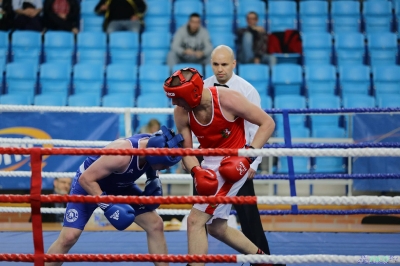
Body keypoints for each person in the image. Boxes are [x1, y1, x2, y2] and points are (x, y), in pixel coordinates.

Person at [163, 68, 275, 266]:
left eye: (178, 98)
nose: (174, 103)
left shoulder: (228, 99)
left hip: (233, 163)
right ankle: (263, 262)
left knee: (195, 221)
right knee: (217, 227)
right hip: (208, 164)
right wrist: (196, 170)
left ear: (193, 93)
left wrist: (248, 157)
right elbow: (187, 153)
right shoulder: (181, 112)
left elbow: (267, 123)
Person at [45, 126, 184, 266]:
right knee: (68, 237)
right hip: (89, 184)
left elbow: (152, 162)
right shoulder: (122, 154)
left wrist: (153, 179)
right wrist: (107, 206)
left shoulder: (152, 143)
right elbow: (86, 179)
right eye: (163, 165)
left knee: (155, 224)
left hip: (120, 185)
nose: (165, 169)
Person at [204, 45, 285, 266]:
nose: (219, 69)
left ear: (233, 64)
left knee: (249, 219)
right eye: (215, 64)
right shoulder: (203, 88)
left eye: (224, 64)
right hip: (210, 165)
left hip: (239, 163)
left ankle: (264, 263)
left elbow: (257, 128)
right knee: (201, 219)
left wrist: (252, 163)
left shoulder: (246, 90)